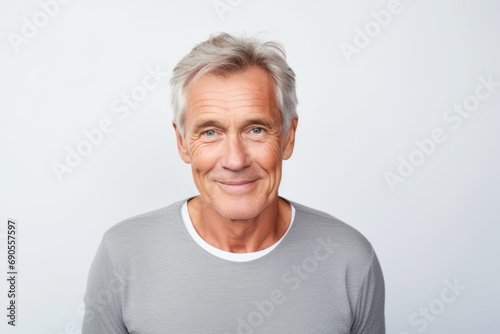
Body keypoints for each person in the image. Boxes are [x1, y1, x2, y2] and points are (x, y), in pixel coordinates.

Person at [82, 32, 385, 334]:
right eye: (210, 132)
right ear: (182, 143)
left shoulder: (349, 259)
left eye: (255, 129)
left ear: (288, 137)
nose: (235, 160)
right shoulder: (123, 254)